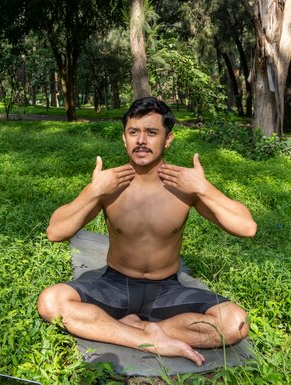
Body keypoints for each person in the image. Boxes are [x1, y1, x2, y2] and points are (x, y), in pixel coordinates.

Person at [37, 97, 257, 366]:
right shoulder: (110, 185)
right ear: (124, 138)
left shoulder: (183, 186)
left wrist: (203, 188)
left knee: (236, 323)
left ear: (168, 139)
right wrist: (93, 190)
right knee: (50, 301)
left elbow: (247, 227)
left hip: (166, 290)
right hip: (114, 285)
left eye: (151, 132)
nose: (141, 140)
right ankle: (151, 338)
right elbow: (55, 232)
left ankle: (125, 327)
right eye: (134, 132)